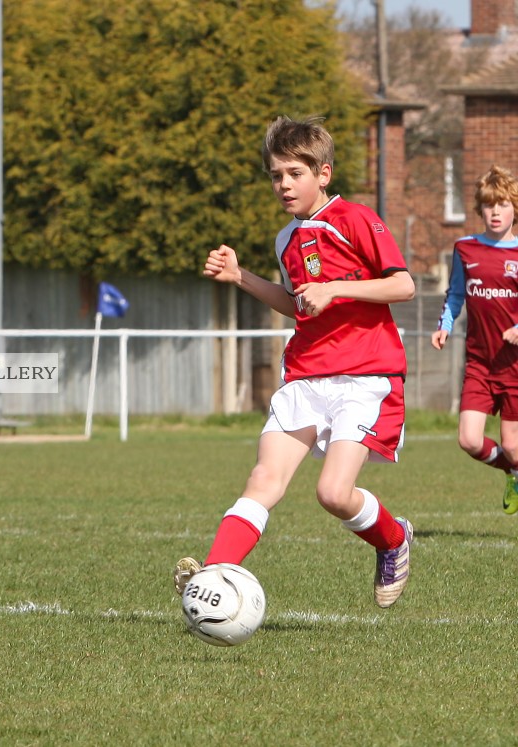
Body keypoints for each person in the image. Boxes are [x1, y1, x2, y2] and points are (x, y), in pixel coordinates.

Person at [175, 115, 416, 609]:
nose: (283, 184)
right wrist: (242, 276)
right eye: (275, 175)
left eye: (294, 173)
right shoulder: (287, 239)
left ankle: (393, 540)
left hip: (365, 377)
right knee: (264, 480)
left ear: (322, 173)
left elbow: (403, 285)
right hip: (306, 374)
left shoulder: (355, 219)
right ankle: (217, 574)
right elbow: (295, 303)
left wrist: (336, 288)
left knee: (333, 492)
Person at [431, 165, 518, 513]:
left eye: (502, 204)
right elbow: (455, 295)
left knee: (513, 446)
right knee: (468, 439)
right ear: (479, 210)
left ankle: (514, 464)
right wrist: (445, 325)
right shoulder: (465, 249)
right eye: (488, 205)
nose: (495, 212)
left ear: (514, 207)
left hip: (513, 366)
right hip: (480, 363)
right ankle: (513, 471)